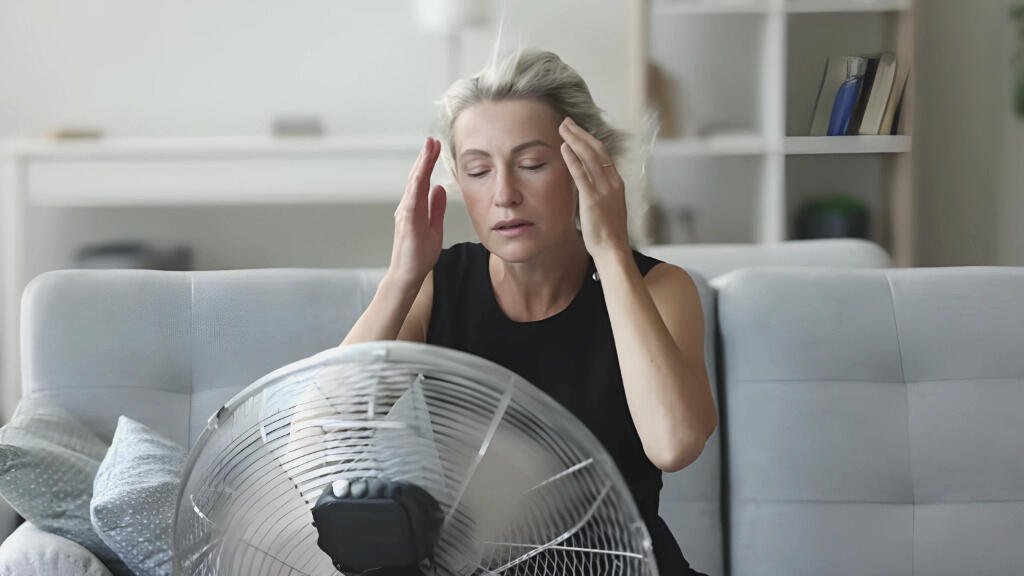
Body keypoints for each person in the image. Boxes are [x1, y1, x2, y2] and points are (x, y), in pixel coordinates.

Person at [342, 48, 717, 575]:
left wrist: (611, 250)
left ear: (587, 167)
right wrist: (401, 277)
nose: (505, 195)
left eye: (532, 165)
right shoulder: (437, 285)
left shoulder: (659, 287)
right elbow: (317, 439)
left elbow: (674, 445)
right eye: (478, 170)